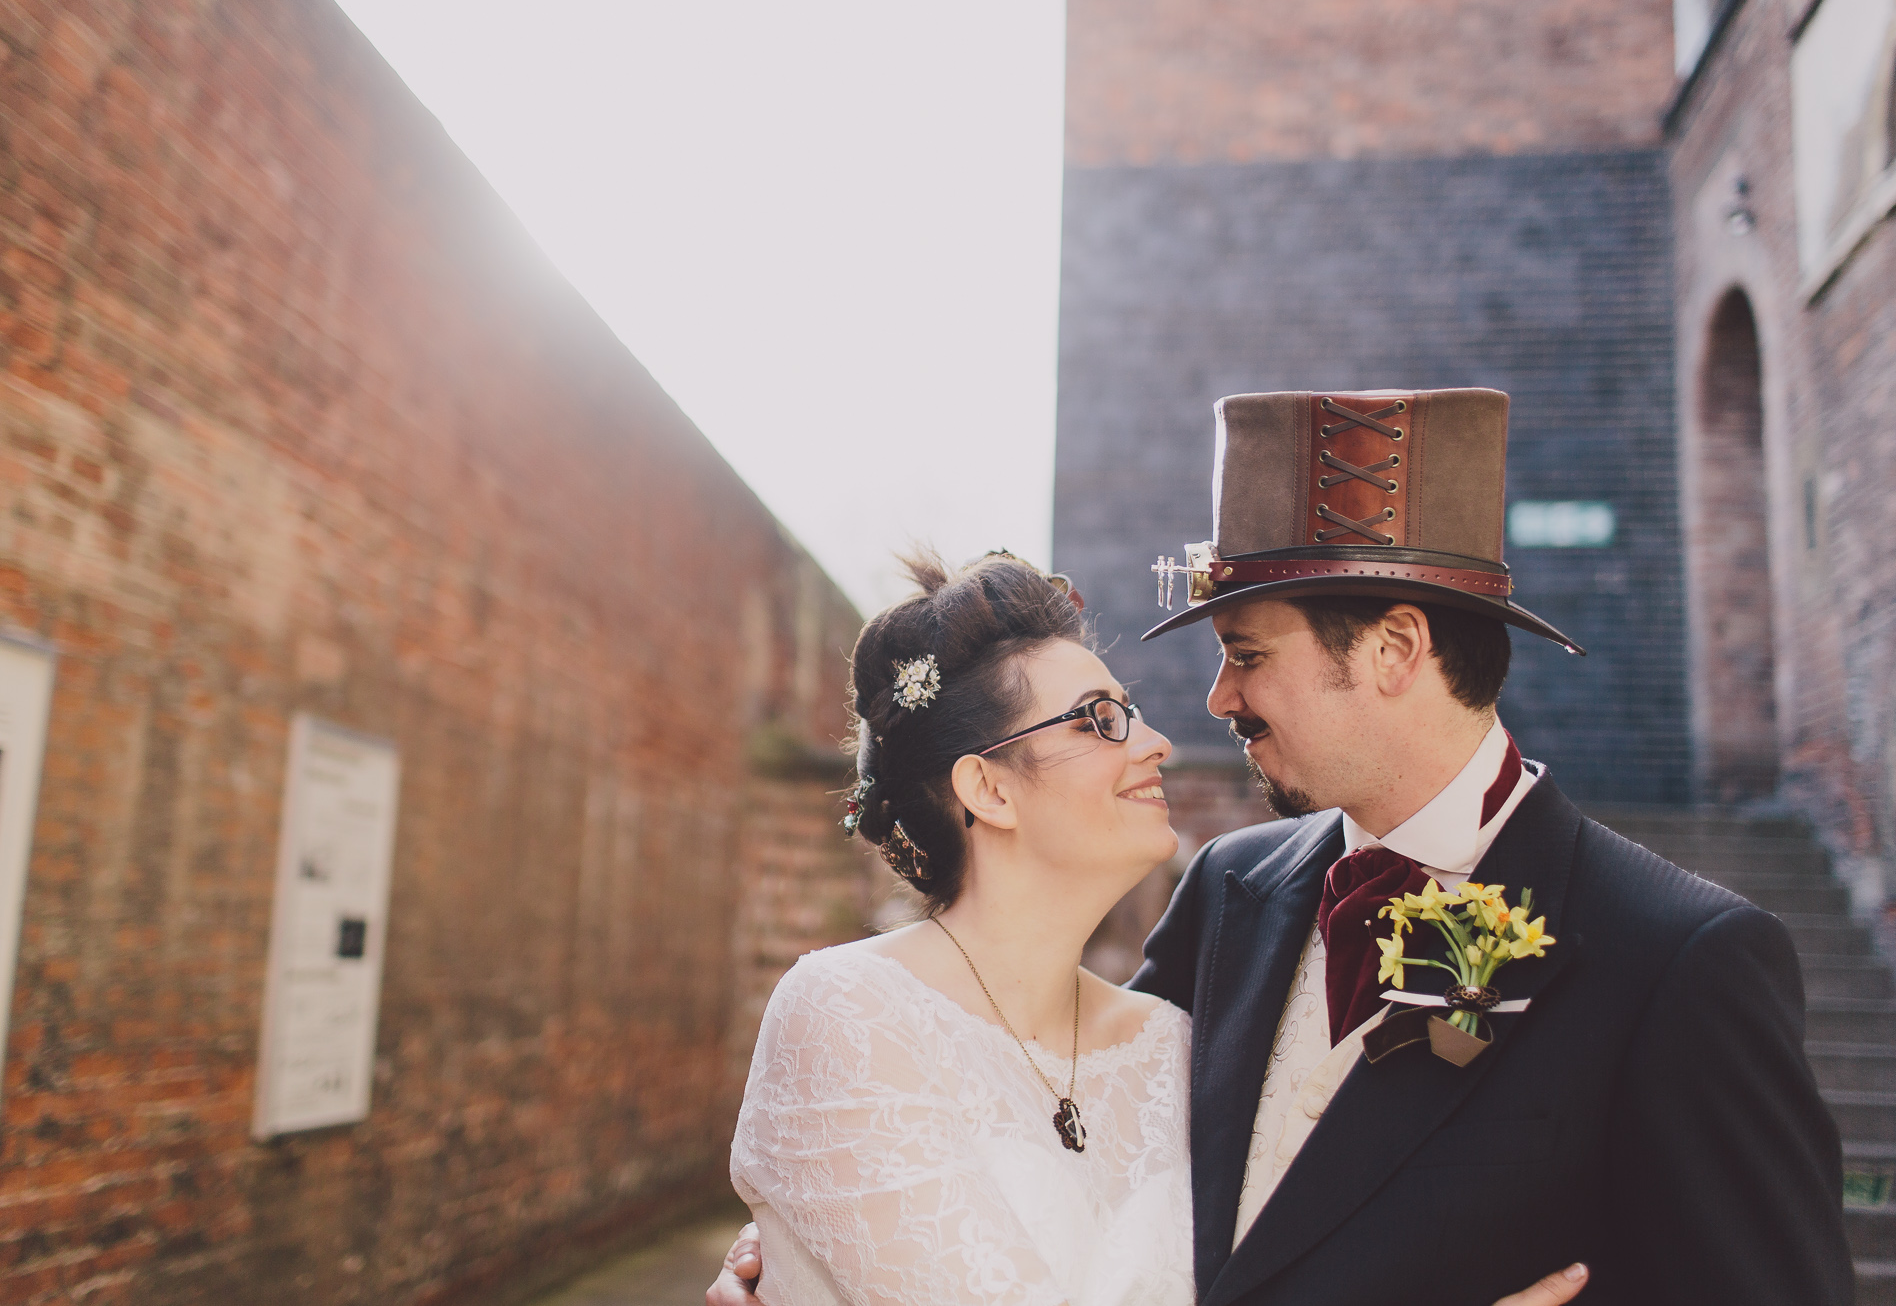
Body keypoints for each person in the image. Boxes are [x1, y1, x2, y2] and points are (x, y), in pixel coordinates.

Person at [712, 389, 1852, 1304]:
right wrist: (811, 1259)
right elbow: (1054, 1142)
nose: (1214, 700)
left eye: (1247, 653)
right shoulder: (1230, 891)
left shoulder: (1678, 961)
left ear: (1394, 648)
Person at [720, 545, 1587, 1306]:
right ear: (988, 788)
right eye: (1101, 719)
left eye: (1129, 710)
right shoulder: (846, 1012)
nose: (1158, 740)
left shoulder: (1172, 1044)